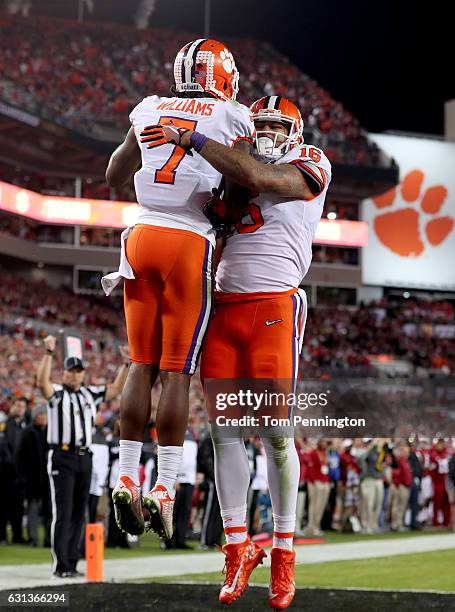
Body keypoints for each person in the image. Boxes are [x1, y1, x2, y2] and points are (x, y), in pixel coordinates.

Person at [146, 95, 331, 608]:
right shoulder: (235, 164)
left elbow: (273, 181)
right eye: (261, 124)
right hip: (223, 310)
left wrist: (200, 140)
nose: (268, 132)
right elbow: (219, 208)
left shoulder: (311, 160)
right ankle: (235, 547)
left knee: (275, 435)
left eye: (276, 125)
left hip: (273, 305)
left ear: (294, 131)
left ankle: (285, 552)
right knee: (225, 436)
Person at [102, 38, 254, 539]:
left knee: (139, 364)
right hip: (188, 241)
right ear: (223, 74)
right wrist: (222, 211)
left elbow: (114, 175)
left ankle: (124, 473)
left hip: (140, 236)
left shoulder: (148, 107)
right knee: (177, 372)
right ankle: (163, 486)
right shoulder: (233, 116)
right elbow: (238, 190)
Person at [36, 334, 128, 577]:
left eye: (79, 371)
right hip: (62, 456)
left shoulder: (89, 394)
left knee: (80, 512)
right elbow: (41, 383)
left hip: (84, 457)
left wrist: (126, 364)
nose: (75, 374)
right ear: (64, 373)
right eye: (71, 371)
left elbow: (116, 389)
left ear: (83, 374)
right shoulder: (56, 393)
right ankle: (61, 564)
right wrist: (47, 354)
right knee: (63, 511)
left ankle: (73, 563)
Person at [17, 405, 51, 547]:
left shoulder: (51, 432)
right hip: (32, 479)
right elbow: (20, 457)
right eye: (40, 415)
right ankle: (33, 538)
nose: (43, 417)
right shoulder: (27, 432)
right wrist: (23, 477)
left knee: (49, 511)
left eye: (45, 415)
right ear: (35, 416)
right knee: (33, 510)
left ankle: (49, 539)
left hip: (48, 478)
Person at [0, 397, 29, 544]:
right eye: (18, 405)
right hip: (7, 472)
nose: (20, 408)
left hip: (21, 474)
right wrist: (13, 464)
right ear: (13, 407)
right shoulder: (5, 424)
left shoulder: (25, 425)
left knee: (18, 506)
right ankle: (2, 536)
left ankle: (17, 536)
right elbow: (3, 446)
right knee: (4, 504)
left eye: (22, 406)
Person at [359, 439, 386, 534]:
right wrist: (369, 448)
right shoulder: (367, 451)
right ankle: (366, 525)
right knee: (368, 502)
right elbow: (361, 460)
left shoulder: (382, 452)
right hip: (369, 479)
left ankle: (373, 524)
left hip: (379, 479)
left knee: (378, 503)